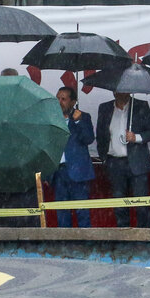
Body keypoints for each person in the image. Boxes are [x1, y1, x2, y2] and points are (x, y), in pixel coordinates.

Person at [96, 91, 150, 228]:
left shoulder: (141, 106)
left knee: (141, 204)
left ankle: (145, 238)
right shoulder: (105, 108)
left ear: (129, 90)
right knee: (120, 205)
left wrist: (136, 137)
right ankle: (124, 239)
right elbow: (100, 134)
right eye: (116, 89)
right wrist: (103, 157)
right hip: (115, 163)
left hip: (137, 162)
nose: (118, 92)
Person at [48, 86, 94, 228]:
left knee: (82, 212)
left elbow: (89, 139)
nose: (59, 101)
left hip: (77, 172)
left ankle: (86, 245)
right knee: (62, 213)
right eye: (57, 98)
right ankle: (65, 245)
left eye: (63, 99)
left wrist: (79, 122)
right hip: (58, 172)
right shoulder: (50, 119)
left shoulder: (83, 117)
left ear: (73, 102)